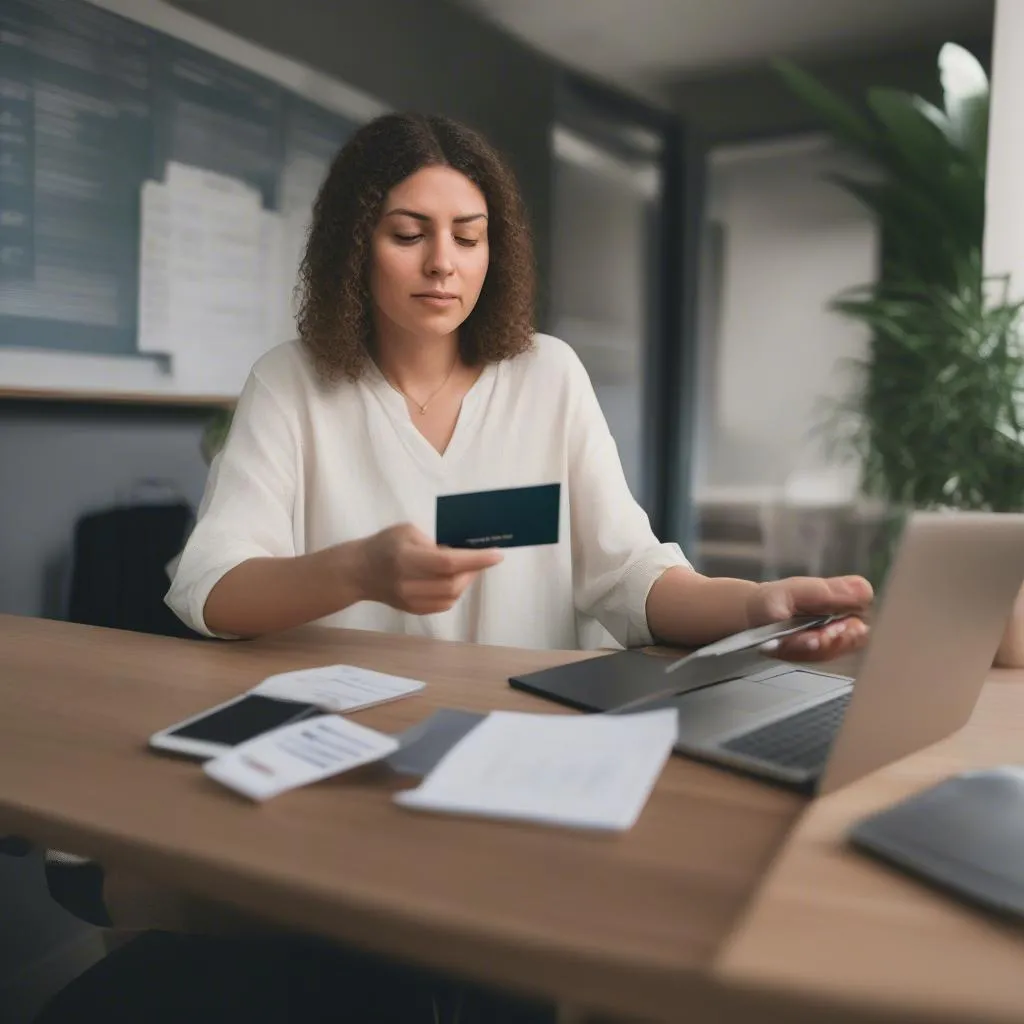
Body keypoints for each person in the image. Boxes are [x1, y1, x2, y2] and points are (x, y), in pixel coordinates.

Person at [166, 110, 870, 668]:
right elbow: (212, 589)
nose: (443, 263)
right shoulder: (291, 384)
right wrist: (356, 570)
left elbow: (629, 576)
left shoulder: (549, 376)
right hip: (350, 739)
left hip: (526, 735)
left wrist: (756, 608)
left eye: (468, 238)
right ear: (353, 248)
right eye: (409, 234)